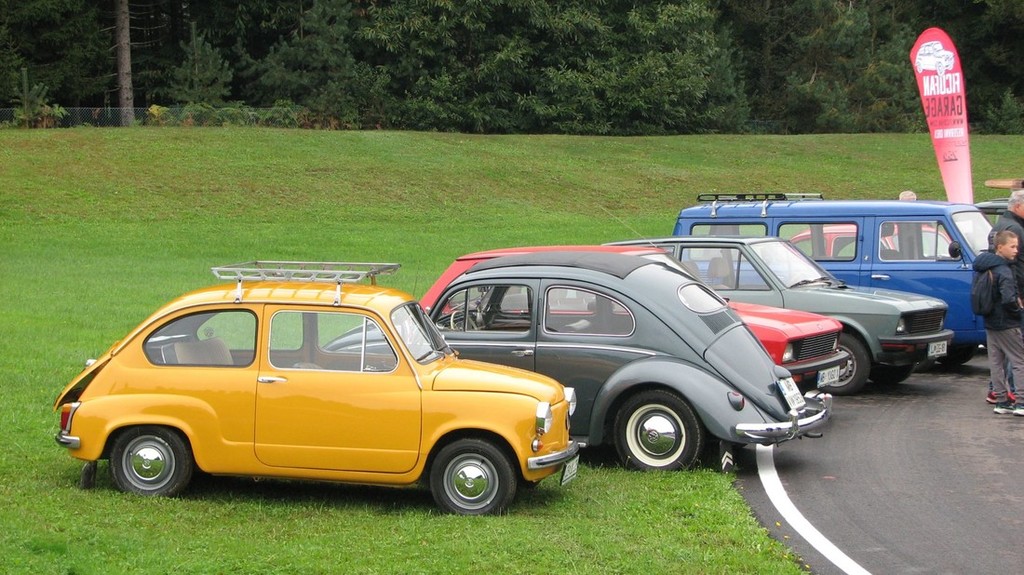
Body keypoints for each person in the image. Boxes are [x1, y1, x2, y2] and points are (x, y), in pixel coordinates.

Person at [975, 230, 1024, 415]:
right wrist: (1018, 313)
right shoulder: (1004, 270)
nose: (1016, 250)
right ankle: (1021, 402)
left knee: (996, 362)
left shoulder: (983, 267)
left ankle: (1001, 401)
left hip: (990, 320)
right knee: (1019, 361)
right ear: (1000, 247)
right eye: (1012, 246)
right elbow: (1009, 299)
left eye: (1017, 246)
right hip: (1007, 323)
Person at [986, 189, 1024, 403]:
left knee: (997, 355)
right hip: (1012, 300)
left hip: (995, 307)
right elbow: (1018, 266)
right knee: (1017, 353)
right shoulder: (1015, 229)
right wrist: (1020, 297)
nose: (1015, 249)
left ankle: (997, 393)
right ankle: (1016, 395)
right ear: (1018, 206)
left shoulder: (1000, 225)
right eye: (1013, 247)